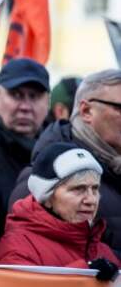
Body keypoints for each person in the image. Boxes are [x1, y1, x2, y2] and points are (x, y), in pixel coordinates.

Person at [9, 69, 121, 255]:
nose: (90, 197)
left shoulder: (114, 164)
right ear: (86, 111)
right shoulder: (44, 175)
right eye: (119, 108)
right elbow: (30, 259)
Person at [0, 142, 119, 282]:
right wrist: (85, 274)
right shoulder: (18, 247)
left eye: (95, 189)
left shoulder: (102, 249)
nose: (91, 199)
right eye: (78, 189)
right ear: (47, 197)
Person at [0, 58, 49, 227]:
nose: (25, 107)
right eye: (16, 95)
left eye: (34, 96)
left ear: (47, 102)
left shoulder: (60, 155)